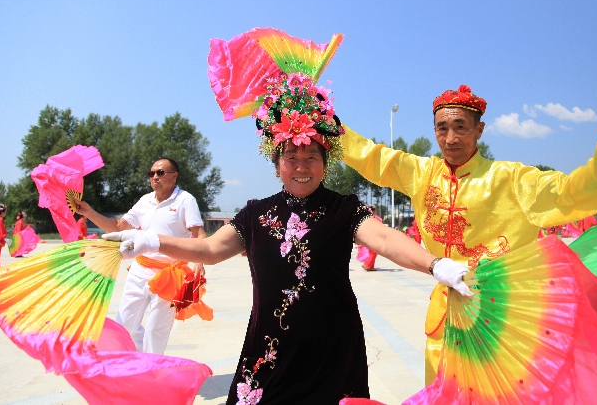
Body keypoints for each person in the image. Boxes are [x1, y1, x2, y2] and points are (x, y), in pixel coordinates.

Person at [102, 72, 472, 404]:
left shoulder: (344, 209)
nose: (301, 166)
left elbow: (386, 240)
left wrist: (435, 264)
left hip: (333, 348)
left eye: (311, 156)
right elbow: (211, 249)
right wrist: (152, 241)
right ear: (277, 162)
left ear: (325, 163)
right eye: (291, 157)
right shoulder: (255, 213)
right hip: (269, 348)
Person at [340, 84, 597, 383]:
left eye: (461, 127)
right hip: (446, 315)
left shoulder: (511, 178)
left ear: (479, 129)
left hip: (501, 318)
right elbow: (371, 157)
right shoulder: (422, 173)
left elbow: (566, 193)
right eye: (442, 128)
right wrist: (326, 123)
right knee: (444, 391)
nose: (451, 138)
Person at [75, 158, 207, 354]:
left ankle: (153, 371)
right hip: (139, 271)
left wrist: (199, 260)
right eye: (151, 173)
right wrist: (89, 212)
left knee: (156, 330)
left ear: (174, 176)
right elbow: (119, 226)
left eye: (160, 172)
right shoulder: (144, 201)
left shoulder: (185, 200)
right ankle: (138, 362)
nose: (155, 177)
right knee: (125, 324)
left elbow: (199, 235)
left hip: (169, 275)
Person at [356, 205, 382, 271]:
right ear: (374, 211)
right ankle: (367, 264)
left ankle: (371, 266)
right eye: (376, 210)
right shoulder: (376, 218)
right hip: (374, 237)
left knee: (372, 251)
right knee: (374, 252)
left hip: (368, 237)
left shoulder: (367, 218)